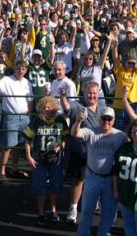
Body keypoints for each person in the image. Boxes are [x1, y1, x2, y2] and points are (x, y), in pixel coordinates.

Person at [71, 106, 127, 236]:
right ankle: (84, 232)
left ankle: (103, 232)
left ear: (113, 120)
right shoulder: (91, 131)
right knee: (86, 209)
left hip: (110, 179)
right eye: (104, 118)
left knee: (109, 210)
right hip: (92, 177)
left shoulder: (120, 136)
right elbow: (75, 133)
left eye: (109, 119)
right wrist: (78, 121)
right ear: (99, 119)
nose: (106, 121)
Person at [60, 81, 106, 225]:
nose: (91, 96)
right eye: (89, 93)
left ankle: (97, 202)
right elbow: (66, 107)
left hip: (98, 152)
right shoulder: (77, 105)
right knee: (78, 180)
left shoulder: (103, 108)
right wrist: (62, 97)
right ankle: (73, 209)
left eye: (94, 93)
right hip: (80, 150)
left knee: (99, 179)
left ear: (98, 94)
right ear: (84, 94)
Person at [24, 95, 69, 225]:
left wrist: (60, 146)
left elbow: (66, 138)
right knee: (40, 187)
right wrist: (28, 156)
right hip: (39, 157)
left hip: (56, 159)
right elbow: (27, 139)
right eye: (44, 107)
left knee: (55, 186)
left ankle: (54, 211)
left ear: (54, 107)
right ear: (40, 109)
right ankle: (41, 212)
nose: (46, 109)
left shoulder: (60, 120)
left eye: (49, 107)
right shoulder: (36, 121)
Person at [0, 59, 34, 180]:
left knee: (20, 145)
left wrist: (28, 115)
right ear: (15, 68)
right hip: (11, 117)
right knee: (8, 145)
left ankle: (14, 168)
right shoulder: (6, 80)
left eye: (23, 68)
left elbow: (30, 100)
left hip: (25, 117)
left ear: (26, 70)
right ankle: (2, 172)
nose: (21, 70)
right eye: (19, 68)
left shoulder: (27, 82)